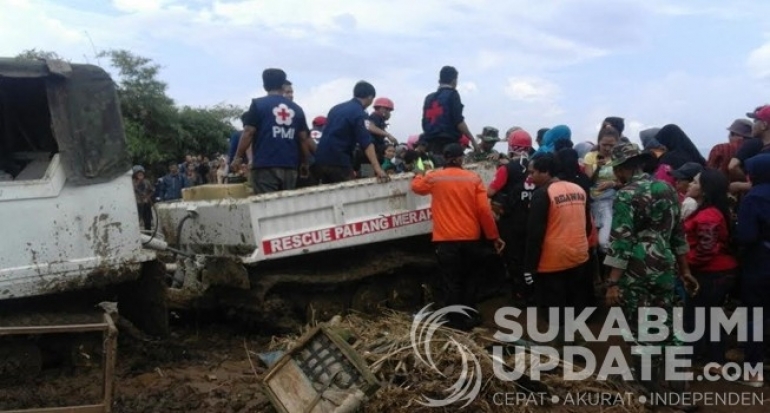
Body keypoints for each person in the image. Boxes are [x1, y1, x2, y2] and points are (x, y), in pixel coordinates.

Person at [603, 142, 699, 397]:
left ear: (624, 169)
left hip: (638, 271)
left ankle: (648, 388)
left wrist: (613, 282)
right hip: (666, 267)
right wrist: (685, 271)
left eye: (617, 170)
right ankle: (679, 387)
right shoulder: (667, 188)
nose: (616, 175)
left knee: (641, 329)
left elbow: (621, 241)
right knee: (669, 326)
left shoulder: (626, 194)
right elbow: (678, 233)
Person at [411, 143, 504, 330]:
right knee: (470, 279)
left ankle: (455, 321)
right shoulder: (473, 179)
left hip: (446, 240)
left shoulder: (435, 178)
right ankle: (470, 315)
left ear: (445, 158)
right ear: (462, 158)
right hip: (471, 239)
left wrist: (419, 172)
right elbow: (484, 211)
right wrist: (494, 237)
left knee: (451, 281)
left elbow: (416, 187)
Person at [524, 153, 592, 344]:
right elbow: (587, 225)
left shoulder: (542, 194)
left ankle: (561, 344)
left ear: (545, 172)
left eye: (532, 172)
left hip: (552, 260)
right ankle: (573, 337)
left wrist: (529, 267)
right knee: (573, 298)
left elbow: (534, 234)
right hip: (579, 255)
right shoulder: (578, 189)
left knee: (553, 303)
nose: (529, 177)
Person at [682, 168, 737, 375]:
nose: (690, 185)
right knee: (711, 316)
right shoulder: (712, 210)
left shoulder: (708, 216)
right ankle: (713, 359)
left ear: (705, 189)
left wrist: (685, 265)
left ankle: (692, 359)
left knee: (695, 317)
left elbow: (706, 249)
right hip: (718, 271)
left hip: (710, 273)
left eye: (695, 182)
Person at [232, 68, 311, 194]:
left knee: (267, 208)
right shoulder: (297, 109)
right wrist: (305, 163)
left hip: (265, 167)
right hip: (290, 167)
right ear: (282, 85)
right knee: (286, 206)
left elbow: (248, 132)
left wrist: (238, 157)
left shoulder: (258, 105)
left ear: (264, 86)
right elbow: (303, 139)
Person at [734, 153, 770, 387]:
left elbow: (746, 236)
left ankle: (753, 372)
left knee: (756, 316)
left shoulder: (754, 198)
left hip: (761, 263)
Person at [488, 129, 536, 302]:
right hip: (534, 219)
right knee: (532, 257)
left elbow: (490, 191)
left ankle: (520, 294)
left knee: (514, 259)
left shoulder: (506, 169)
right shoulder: (537, 166)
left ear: (511, 146)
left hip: (512, 221)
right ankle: (534, 292)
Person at [313, 81, 389, 184]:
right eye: (387, 109)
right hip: (348, 160)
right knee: (351, 191)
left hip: (321, 159)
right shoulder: (362, 114)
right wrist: (378, 169)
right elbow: (366, 142)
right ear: (370, 98)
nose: (388, 112)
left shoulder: (336, 109)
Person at [421, 65, 479, 166]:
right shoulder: (453, 94)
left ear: (439, 80)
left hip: (431, 145)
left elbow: (424, 123)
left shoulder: (428, 98)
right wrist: (472, 140)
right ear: (454, 81)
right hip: (449, 142)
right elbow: (458, 121)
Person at [132, 165, 154, 231]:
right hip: (137, 204)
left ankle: (148, 233)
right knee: (137, 221)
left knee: (148, 221)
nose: (140, 174)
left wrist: (148, 197)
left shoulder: (146, 181)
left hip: (146, 203)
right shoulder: (132, 182)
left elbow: (151, 191)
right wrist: (139, 182)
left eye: (141, 173)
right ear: (135, 174)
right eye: (138, 173)